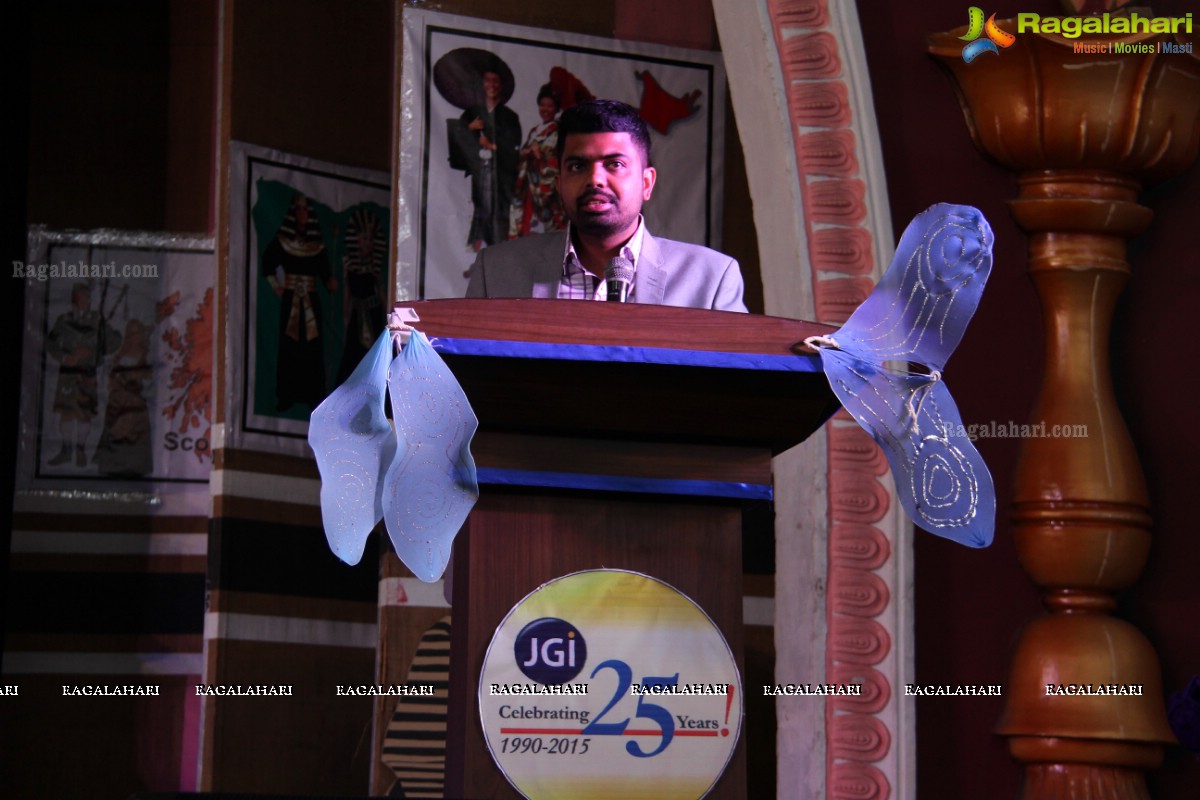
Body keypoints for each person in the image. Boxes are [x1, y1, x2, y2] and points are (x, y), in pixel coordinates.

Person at [465, 99, 746, 312]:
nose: (595, 179)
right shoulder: (496, 271)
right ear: (559, 182)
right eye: (577, 166)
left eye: (615, 164)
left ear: (646, 183)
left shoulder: (711, 280)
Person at [262, 192, 337, 411]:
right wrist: (274, 284)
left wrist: (329, 282)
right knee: (290, 346)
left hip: (312, 300)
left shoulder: (317, 244)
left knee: (312, 346)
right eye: (299, 210)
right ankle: (287, 395)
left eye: (305, 210)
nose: (302, 214)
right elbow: (267, 262)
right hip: (291, 299)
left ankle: (314, 395)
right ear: (294, 214)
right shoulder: (283, 241)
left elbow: (324, 273)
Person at [450, 68, 522, 251]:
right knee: (479, 207)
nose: (491, 85)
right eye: (487, 80)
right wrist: (470, 127)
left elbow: (515, 146)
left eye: (495, 81)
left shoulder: (510, 116)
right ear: (482, 84)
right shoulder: (472, 113)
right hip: (479, 170)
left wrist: (492, 146)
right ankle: (477, 249)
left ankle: (498, 249)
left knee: (500, 212)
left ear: (501, 85)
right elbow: (456, 138)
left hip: (502, 175)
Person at [508, 84, 565, 239]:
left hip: (544, 190)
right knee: (526, 232)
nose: (545, 109)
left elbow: (554, 162)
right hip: (528, 187)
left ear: (556, 108)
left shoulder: (558, 132)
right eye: (542, 105)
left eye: (550, 106)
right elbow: (523, 154)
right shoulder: (535, 131)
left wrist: (538, 154)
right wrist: (527, 152)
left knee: (546, 236)